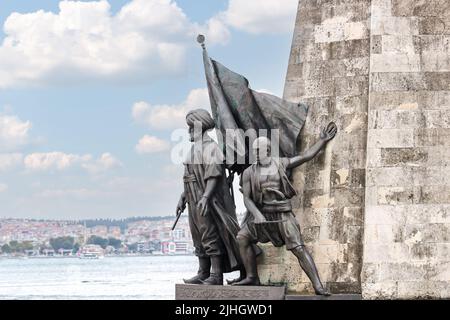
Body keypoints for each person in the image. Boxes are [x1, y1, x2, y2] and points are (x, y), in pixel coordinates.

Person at [232, 122, 337, 296]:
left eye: (259, 150)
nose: (256, 154)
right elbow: (247, 198)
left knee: (299, 248)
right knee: (242, 237)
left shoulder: (281, 163)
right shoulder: (249, 172)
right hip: (262, 215)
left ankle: (318, 286)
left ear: (267, 150)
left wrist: (322, 140)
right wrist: (257, 214)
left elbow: (305, 156)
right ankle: (252, 277)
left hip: (282, 214)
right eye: (254, 150)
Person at [176, 109, 242, 285]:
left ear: (200, 127)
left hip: (206, 197)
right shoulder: (194, 149)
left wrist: (205, 197)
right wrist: (183, 197)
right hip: (192, 196)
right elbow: (190, 175)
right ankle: (203, 272)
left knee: (209, 233)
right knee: (197, 234)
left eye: (191, 127)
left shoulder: (210, 147)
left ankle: (216, 274)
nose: (189, 131)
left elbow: (213, 174)